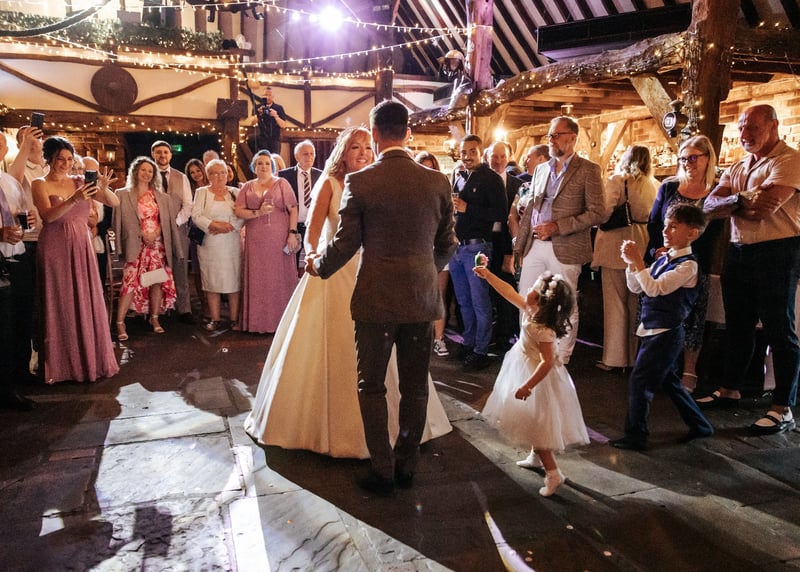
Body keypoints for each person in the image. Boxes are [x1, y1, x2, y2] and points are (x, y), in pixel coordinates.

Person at [244, 126, 453, 461]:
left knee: (387, 363)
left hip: (375, 275)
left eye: (368, 147)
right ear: (343, 152)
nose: (363, 153)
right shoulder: (331, 183)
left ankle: (392, 437)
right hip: (333, 273)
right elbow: (313, 231)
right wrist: (313, 256)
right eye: (356, 147)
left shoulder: (378, 182)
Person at [307, 102, 457, 495]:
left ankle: (382, 469)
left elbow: (345, 244)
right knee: (415, 386)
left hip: (376, 299)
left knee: (372, 385)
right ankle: (407, 464)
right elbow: (448, 244)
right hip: (421, 299)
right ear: (407, 133)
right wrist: (424, 269)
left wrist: (318, 266)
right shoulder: (437, 181)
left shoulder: (361, 182)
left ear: (375, 134)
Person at [698, 104, 800, 435]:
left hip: (777, 250)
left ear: (773, 126)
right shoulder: (739, 165)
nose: (744, 134)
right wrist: (743, 199)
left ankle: (782, 407)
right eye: (741, 128)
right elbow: (708, 207)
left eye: (752, 127)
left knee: (778, 329)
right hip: (739, 250)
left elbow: (762, 210)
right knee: (737, 326)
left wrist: (733, 202)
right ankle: (730, 389)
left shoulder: (789, 160)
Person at [610, 204, 714, 451]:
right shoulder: (664, 258)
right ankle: (700, 425)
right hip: (652, 329)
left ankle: (636, 436)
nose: (666, 231)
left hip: (666, 332)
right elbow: (636, 287)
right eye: (666, 225)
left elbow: (655, 289)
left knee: (640, 383)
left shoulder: (688, 266)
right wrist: (632, 264)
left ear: (692, 233)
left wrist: (638, 261)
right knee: (670, 382)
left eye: (674, 227)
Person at [477, 267, 589, 497]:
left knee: (538, 426)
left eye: (533, 289)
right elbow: (508, 292)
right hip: (524, 365)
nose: (528, 289)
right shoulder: (531, 310)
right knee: (533, 421)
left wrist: (528, 385)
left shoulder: (542, 330)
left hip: (539, 379)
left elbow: (547, 362)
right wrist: (488, 275)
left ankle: (553, 474)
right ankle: (535, 458)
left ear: (541, 300)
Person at [514, 116, 605, 364]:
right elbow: (530, 210)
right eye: (550, 135)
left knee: (566, 303)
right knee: (527, 298)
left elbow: (598, 212)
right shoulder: (541, 169)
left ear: (572, 138)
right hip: (534, 245)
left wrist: (558, 227)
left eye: (556, 135)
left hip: (566, 247)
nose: (551, 140)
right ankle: (529, 351)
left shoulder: (588, 170)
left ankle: (561, 358)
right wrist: (519, 247)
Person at [32, 136, 119, 384]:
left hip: (81, 245)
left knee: (85, 297)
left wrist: (103, 188)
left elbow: (114, 202)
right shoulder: (40, 183)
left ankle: (91, 360)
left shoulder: (80, 181)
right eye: (60, 158)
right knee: (60, 301)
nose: (66, 163)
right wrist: (74, 199)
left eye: (69, 159)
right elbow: (48, 216)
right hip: (55, 247)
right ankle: (62, 366)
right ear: (49, 159)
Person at [645, 135, 722, 392]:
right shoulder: (669, 187)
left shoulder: (717, 190)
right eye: (683, 159)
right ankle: (657, 367)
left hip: (696, 260)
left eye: (693, 158)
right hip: (664, 258)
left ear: (707, 158)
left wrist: (687, 252)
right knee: (659, 311)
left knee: (693, 316)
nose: (687, 163)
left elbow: (714, 231)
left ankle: (689, 372)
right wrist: (658, 248)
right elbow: (654, 223)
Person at [591, 145, 658, 372]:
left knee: (615, 304)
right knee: (636, 303)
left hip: (616, 245)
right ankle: (634, 356)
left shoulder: (618, 181)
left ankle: (615, 358)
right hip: (642, 243)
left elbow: (603, 213)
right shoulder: (655, 185)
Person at [451, 135, 508, 370]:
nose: (467, 156)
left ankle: (481, 350)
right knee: (464, 301)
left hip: (478, 247)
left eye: (472, 151)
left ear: (480, 152)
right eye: (463, 152)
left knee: (480, 301)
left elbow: (501, 214)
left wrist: (468, 208)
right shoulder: (460, 177)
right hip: (457, 247)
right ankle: (469, 342)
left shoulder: (491, 179)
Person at [113, 157, 182, 340]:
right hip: (135, 244)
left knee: (156, 281)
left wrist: (155, 233)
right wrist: (142, 234)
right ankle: (120, 322)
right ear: (135, 171)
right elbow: (118, 223)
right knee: (129, 282)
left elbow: (166, 221)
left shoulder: (161, 197)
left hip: (157, 245)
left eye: (150, 171)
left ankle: (155, 317)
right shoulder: (122, 194)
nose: (146, 173)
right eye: (143, 170)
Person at [234, 150, 299, 333]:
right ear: (254, 166)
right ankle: (257, 323)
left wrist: (292, 233)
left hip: (278, 237)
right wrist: (258, 212)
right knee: (258, 278)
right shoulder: (247, 187)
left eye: (267, 163)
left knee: (278, 277)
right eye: (259, 163)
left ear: (273, 166)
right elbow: (238, 211)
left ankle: (281, 322)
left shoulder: (282, 183)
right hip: (255, 238)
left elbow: (293, 209)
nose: (263, 166)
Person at [0, 133, 37, 408]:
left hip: (18, 255)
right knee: (4, 327)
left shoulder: (7, 181)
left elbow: (20, 213)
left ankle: (21, 373)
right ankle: (6, 389)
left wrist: (27, 221)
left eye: (1, 143)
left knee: (23, 318)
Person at [191, 159, 243, 331]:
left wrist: (230, 226)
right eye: (214, 173)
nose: (219, 176)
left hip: (231, 242)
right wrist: (213, 225)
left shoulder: (236, 192)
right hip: (210, 242)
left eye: (223, 172)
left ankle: (234, 319)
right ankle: (215, 318)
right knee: (211, 281)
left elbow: (242, 214)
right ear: (208, 175)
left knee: (233, 280)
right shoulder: (201, 192)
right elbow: (196, 215)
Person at [151, 140, 193, 322]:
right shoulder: (147, 175)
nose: (162, 155)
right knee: (155, 270)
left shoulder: (181, 177)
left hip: (177, 228)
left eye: (165, 152)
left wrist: (175, 223)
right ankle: (157, 310)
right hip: (154, 230)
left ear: (170, 155)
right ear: (153, 154)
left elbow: (188, 204)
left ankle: (184, 309)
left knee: (180, 269)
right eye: (158, 152)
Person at [415, 151, 451, 357]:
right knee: (417, 296)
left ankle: (439, 338)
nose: (427, 172)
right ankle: (419, 338)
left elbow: (448, 223)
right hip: (417, 249)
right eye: (423, 168)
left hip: (437, 247)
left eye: (431, 168)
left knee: (438, 295)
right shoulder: (409, 192)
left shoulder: (442, 190)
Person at [488, 140, 523, 353]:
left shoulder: (518, 184)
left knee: (508, 290)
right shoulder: (481, 180)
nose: (498, 160)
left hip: (508, 245)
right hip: (485, 243)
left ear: (508, 158)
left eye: (502, 156)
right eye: (494, 156)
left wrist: (513, 250)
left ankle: (507, 335)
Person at [278, 140, 323, 268]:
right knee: (289, 264)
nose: (309, 157)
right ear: (296, 156)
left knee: (314, 263)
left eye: (312, 154)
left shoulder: (321, 175)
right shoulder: (284, 176)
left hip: (314, 226)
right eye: (305, 154)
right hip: (291, 226)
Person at [185, 158, 209, 317]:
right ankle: (204, 303)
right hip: (196, 232)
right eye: (192, 172)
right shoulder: (189, 190)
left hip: (213, 229)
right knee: (198, 268)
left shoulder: (212, 186)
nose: (196, 174)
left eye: (198, 170)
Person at [249, 84, 287, 154]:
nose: (267, 97)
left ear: (273, 96)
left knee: (274, 158)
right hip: (261, 138)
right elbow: (251, 123)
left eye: (269, 95)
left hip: (275, 139)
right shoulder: (258, 107)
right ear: (262, 96)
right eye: (265, 95)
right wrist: (259, 114)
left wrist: (276, 116)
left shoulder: (278, 108)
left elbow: (283, 125)